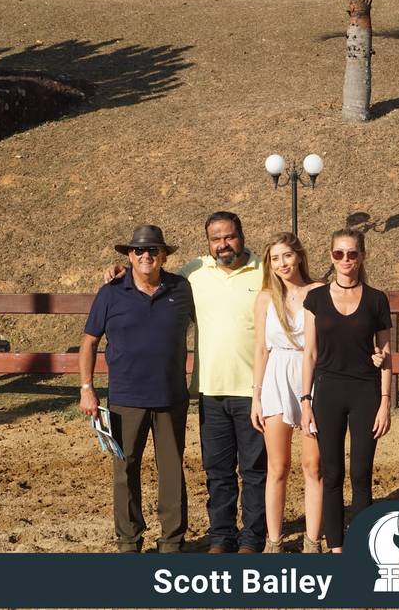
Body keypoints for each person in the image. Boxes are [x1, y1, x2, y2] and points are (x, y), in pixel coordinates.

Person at [105, 211, 266, 554]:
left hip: (256, 391)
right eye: (216, 239)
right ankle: (221, 537)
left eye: (229, 237)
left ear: (241, 235)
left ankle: (252, 538)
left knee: (254, 470)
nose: (223, 244)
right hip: (210, 389)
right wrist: (124, 273)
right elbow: (149, 276)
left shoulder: (265, 272)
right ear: (208, 243)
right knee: (218, 470)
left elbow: (295, 297)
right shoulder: (194, 273)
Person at [79, 225, 194, 553]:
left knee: (172, 471)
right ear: (129, 256)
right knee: (125, 470)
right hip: (125, 400)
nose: (146, 256)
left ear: (164, 255)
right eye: (139, 251)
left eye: (153, 250)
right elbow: (89, 342)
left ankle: (172, 541)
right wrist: (87, 388)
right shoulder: (111, 293)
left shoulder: (182, 288)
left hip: (171, 397)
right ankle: (129, 541)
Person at [299, 228, 392, 552]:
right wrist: (305, 401)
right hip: (327, 393)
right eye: (339, 254)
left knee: (362, 473)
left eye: (352, 253)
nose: (346, 260)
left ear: (362, 256)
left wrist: (385, 402)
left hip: (366, 393)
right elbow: (309, 353)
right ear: (331, 257)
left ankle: (362, 546)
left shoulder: (377, 299)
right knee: (332, 472)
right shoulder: (317, 299)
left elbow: (386, 356)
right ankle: (337, 549)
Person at [249, 232, 325, 553]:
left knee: (313, 465)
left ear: (299, 256)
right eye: (275, 258)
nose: (282, 264)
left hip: (313, 378)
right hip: (277, 378)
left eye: (287, 256)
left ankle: (312, 541)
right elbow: (261, 349)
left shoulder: (319, 291)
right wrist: (256, 395)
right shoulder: (266, 297)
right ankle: (274, 541)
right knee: (278, 466)